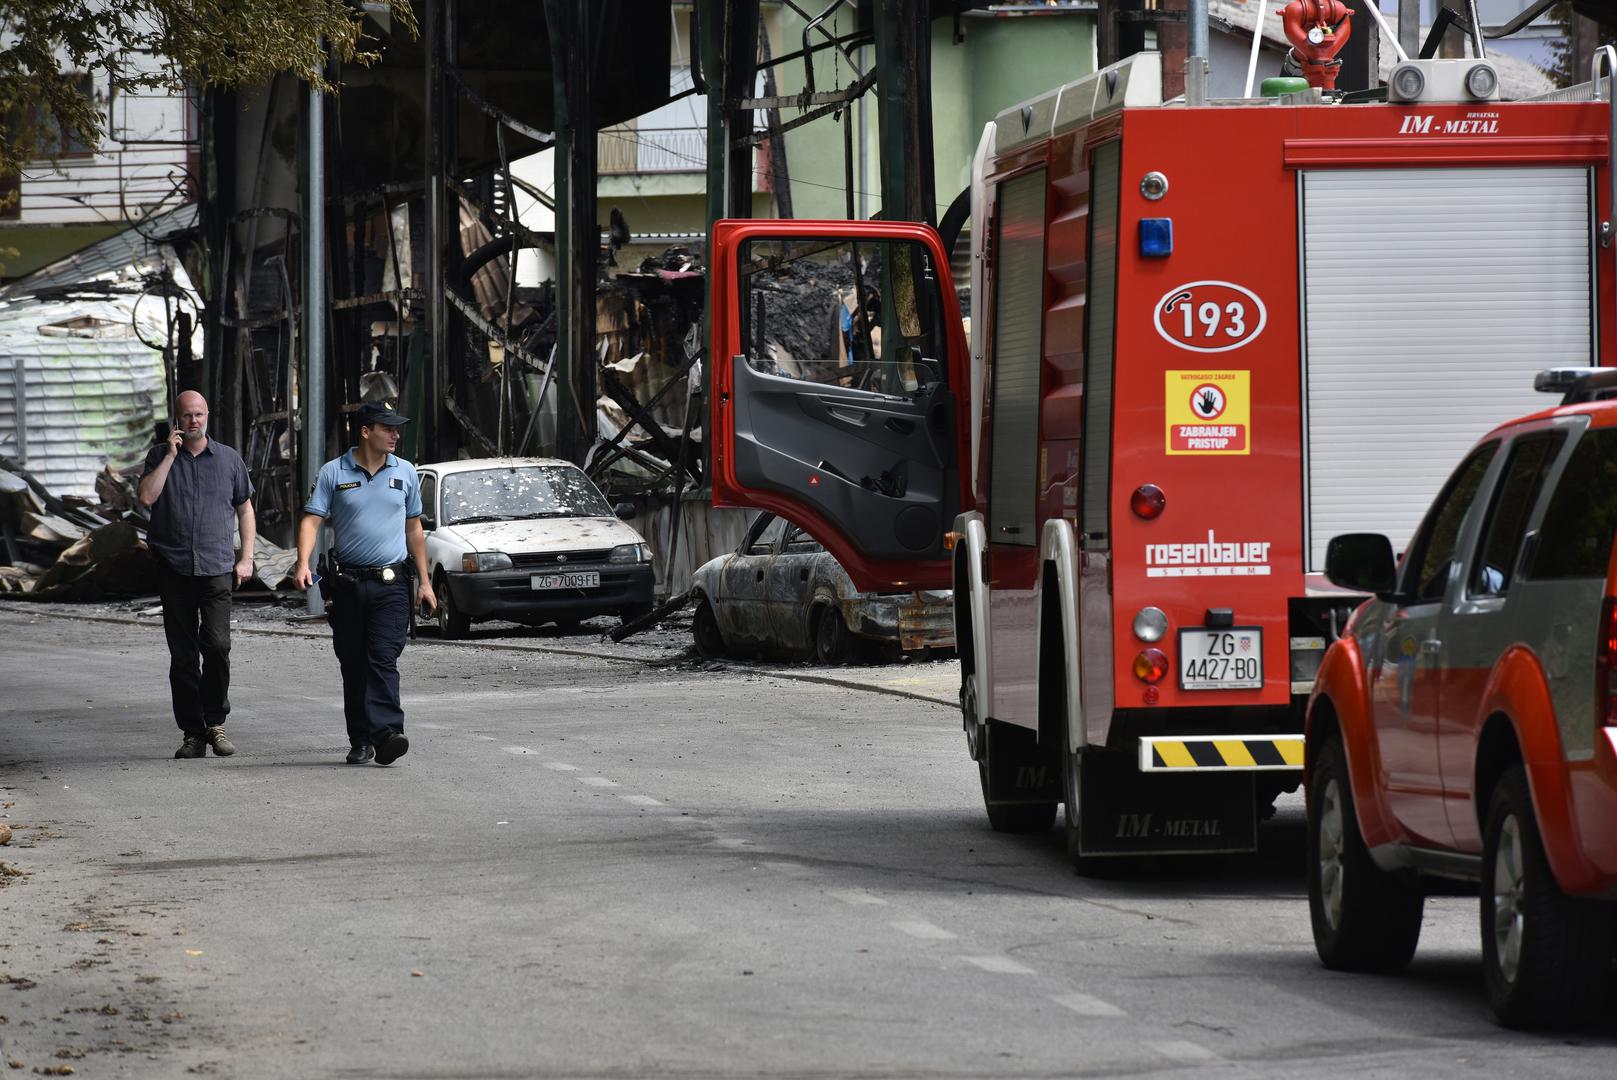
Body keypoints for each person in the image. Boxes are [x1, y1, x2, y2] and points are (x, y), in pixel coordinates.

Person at [292, 401, 435, 765]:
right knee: (354, 664)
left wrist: (425, 582)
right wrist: (303, 562)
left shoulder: (404, 472)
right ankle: (360, 738)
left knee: (382, 656)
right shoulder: (332, 473)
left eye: (397, 428)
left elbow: (414, 527)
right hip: (349, 586)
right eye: (387, 428)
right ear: (366, 431)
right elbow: (311, 521)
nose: (395, 434)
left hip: (392, 585)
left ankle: (387, 731)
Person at [136, 390, 255, 760]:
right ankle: (193, 733)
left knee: (218, 646)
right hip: (173, 570)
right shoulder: (159, 456)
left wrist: (246, 557)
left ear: (207, 417)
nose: (193, 421)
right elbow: (146, 498)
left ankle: (215, 723)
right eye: (186, 415)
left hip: (217, 567)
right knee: (184, 657)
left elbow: (245, 510)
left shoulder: (229, 460)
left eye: (199, 414)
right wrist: (171, 455)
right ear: (176, 419)